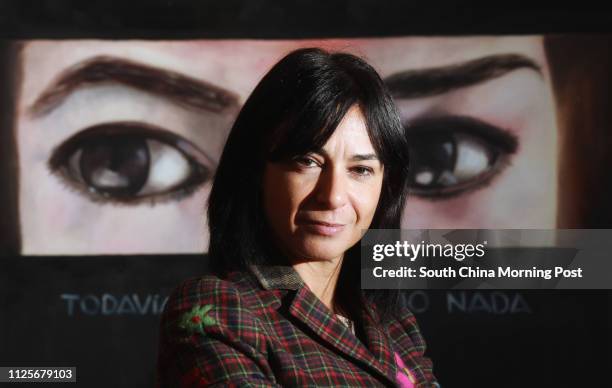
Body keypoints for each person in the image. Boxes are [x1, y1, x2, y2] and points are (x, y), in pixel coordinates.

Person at [156, 47, 438, 387]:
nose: (332, 196)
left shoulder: (393, 324)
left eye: (360, 169)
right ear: (256, 170)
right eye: (307, 162)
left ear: (386, 185)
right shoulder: (220, 308)